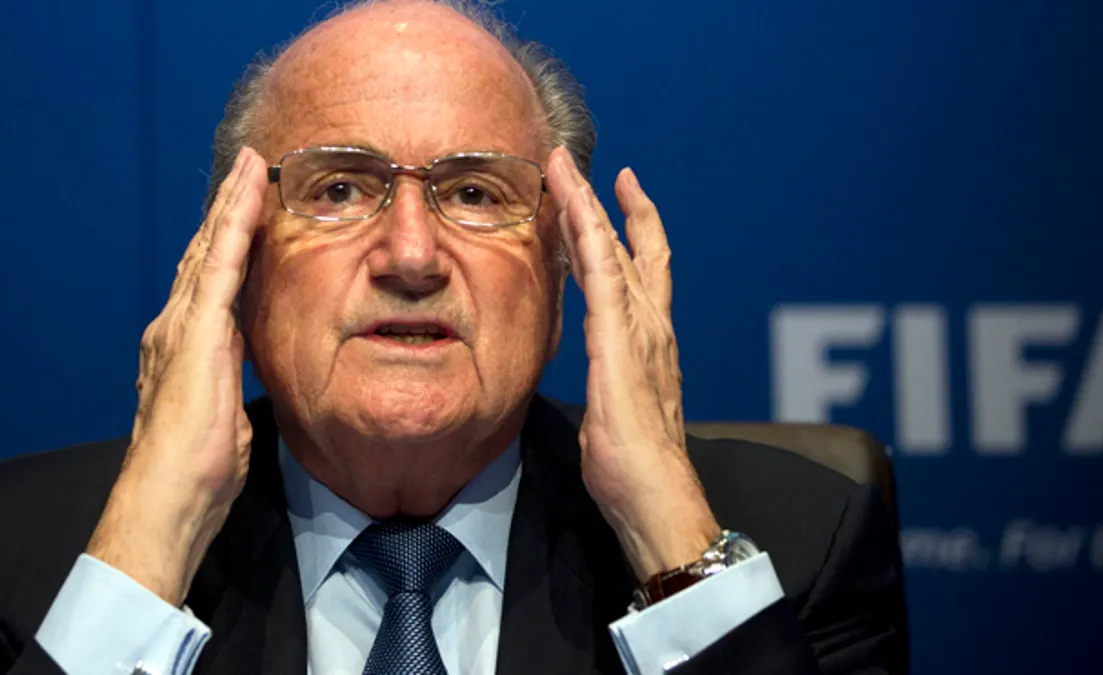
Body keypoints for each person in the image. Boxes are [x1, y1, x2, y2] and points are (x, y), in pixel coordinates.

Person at [0, 1, 904, 673]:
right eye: (340, 188)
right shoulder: (28, 554)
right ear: (232, 264)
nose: (411, 253)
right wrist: (146, 550)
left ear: (565, 267)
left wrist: (666, 528)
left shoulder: (801, 541)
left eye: (475, 193)